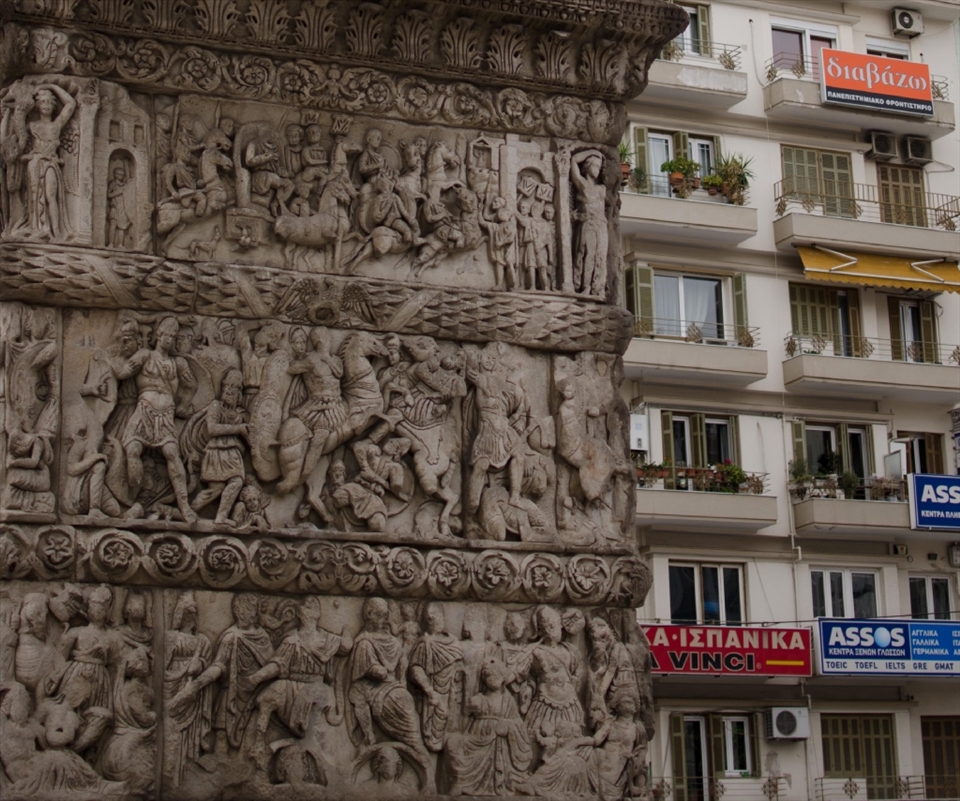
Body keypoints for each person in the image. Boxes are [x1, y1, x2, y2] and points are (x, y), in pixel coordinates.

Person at [117, 316, 198, 523]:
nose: (169, 339)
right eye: (166, 335)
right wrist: (118, 354)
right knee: (132, 449)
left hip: (166, 414)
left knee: (172, 453)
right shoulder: (145, 355)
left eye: (173, 336)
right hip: (144, 409)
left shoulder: (178, 363)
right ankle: (131, 502)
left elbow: (192, 385)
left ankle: (184, 505)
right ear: (158, 335)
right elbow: (122, 373)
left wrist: (184, 405)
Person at [570, 149, 609, 296]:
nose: (597, 170)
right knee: (588, 254)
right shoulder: (583, 184)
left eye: (599, 167)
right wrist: (592, 152)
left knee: (601, 255)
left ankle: (598, 287)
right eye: (595, 166)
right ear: (587, 166)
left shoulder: (601, 188)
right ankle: (585, 286)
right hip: (589, 222)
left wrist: (603, 160)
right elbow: (574, 160)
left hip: (601, 224)